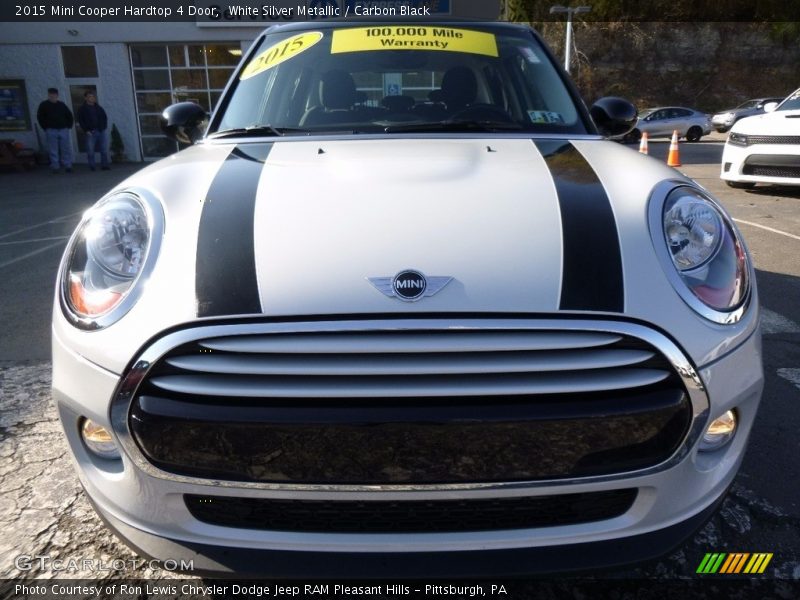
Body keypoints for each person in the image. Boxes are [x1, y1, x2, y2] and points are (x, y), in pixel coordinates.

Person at [37, 88, 74, 173]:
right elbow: (40, 117)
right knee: (53, 149)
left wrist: (69, 126)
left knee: (65, 148)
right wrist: (45, 127)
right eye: (51, 95)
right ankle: (55, 166)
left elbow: (69, 115)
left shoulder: (62, 105)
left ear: (57, 95)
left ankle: (68, 165)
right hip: (51, 130)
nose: (52, 96)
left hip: (63, 129)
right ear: (48, 95)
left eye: (54, 94)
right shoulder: (44, 105)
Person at [76, 90, 110, 171]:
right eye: (90, 97)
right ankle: (92, 166)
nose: (92, 98)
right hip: (90, 132)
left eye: (93, 96)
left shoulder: (98, 108)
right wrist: (86, 130)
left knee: (103, 149)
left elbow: (104, 117)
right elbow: (81, 121)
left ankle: (104, 165)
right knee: (90, 150)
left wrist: (103, 127)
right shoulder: (82, 109)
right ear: (85, 98)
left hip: (101, 130)